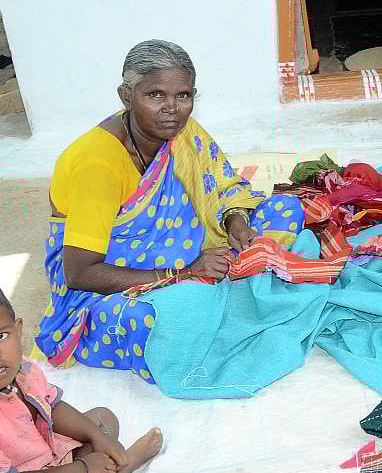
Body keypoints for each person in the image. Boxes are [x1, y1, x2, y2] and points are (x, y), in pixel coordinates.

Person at [36, 40, 304, 384]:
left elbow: (222, 184)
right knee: (155, 319)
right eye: (156, 95)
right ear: (126, 96)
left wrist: (235, 219)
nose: (172, 108)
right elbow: (80, 273)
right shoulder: (98, 164)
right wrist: (186, 272)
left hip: (194, 248)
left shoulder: (182, 130)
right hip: (110, 280)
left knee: (286, 208)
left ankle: (219, 287)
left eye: (183, 95)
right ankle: (216, 292)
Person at [1, 288, 163, 473]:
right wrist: (82, 470)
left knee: (102, 421)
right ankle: (125, 469)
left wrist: (97, 437)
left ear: (18, 330)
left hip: (46, 460)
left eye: (1, 336)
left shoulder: (24, 369)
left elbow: (53, 407)